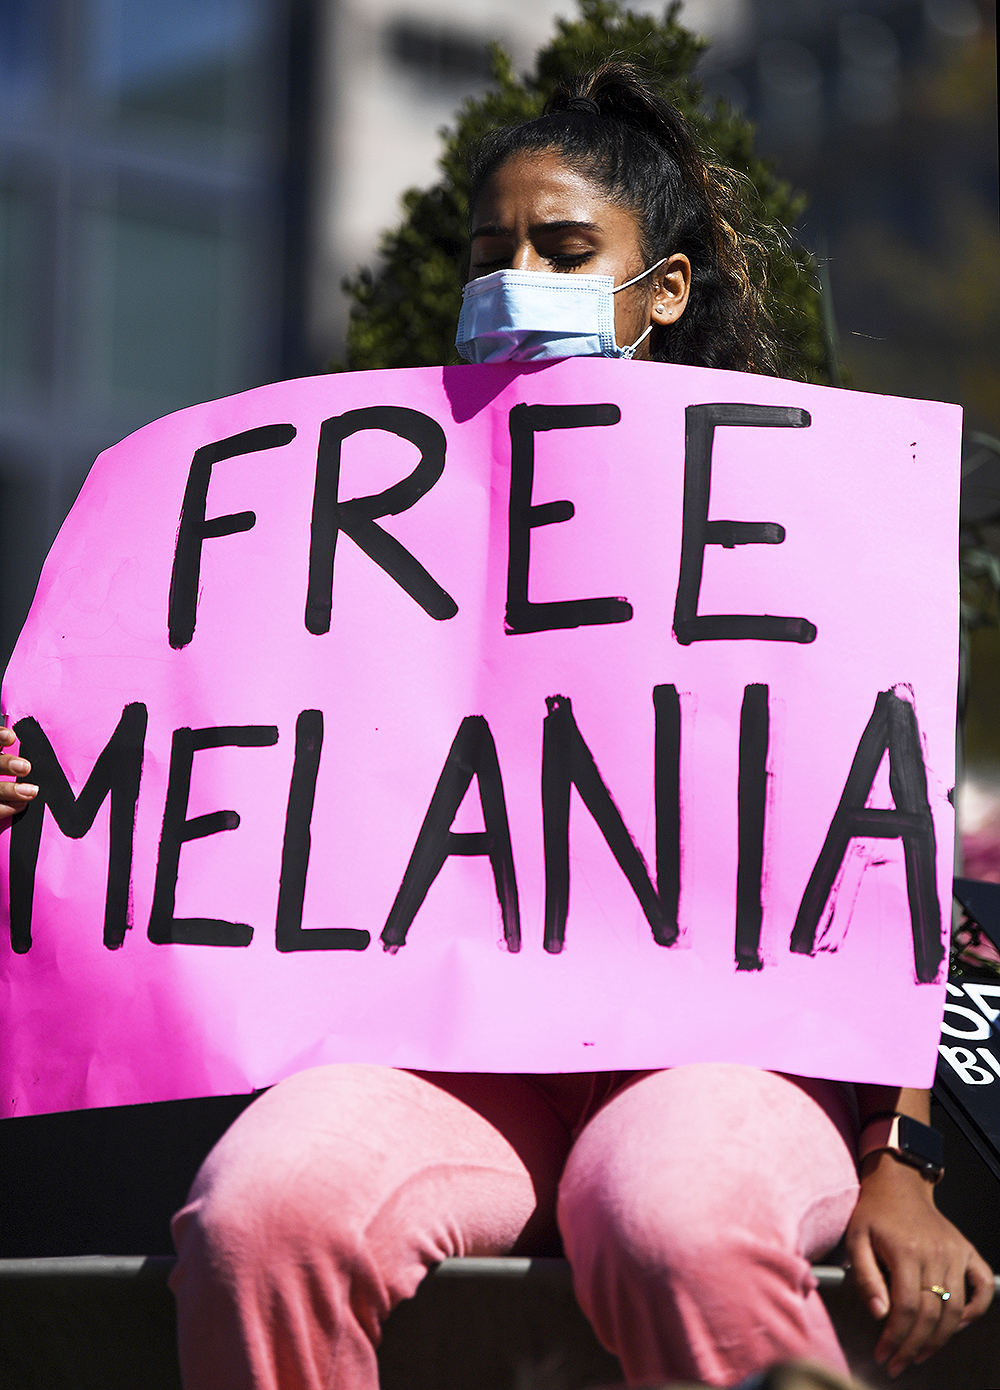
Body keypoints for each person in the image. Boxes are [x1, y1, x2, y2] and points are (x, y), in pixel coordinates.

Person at [0, 63, 992, 1390]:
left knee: (675, 1220)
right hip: (454, 1051)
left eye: (565, 248)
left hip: (723, 1042)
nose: (513, 274)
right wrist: (54, 793)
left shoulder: (797, 508)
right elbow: (218, 748)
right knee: (259, 1219)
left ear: (669, 289)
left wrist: (905, 1162)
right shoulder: (367, 520)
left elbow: (874, 854)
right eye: (493, 250)